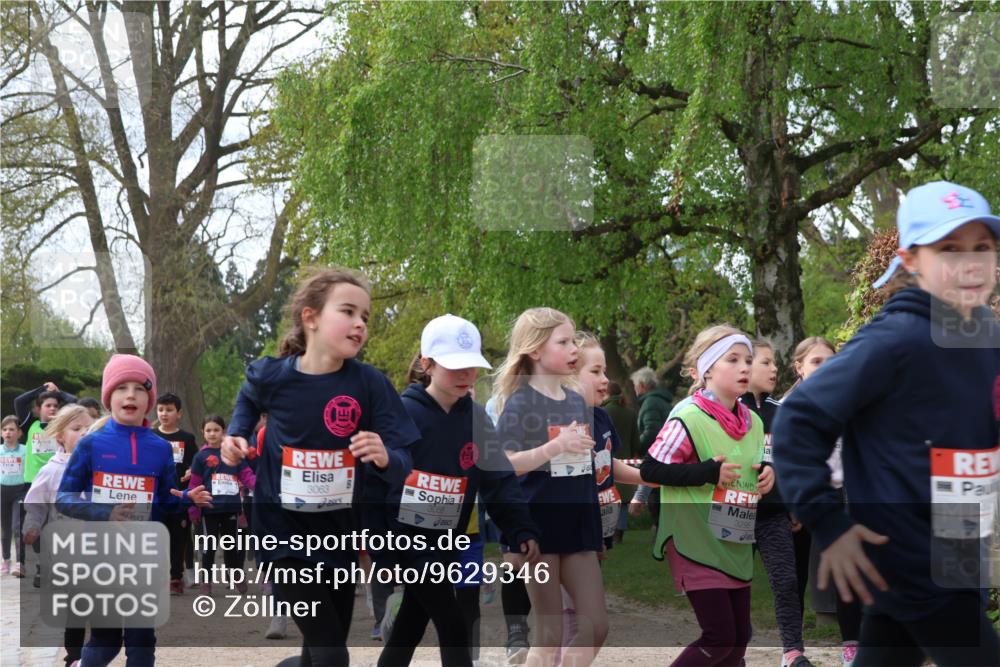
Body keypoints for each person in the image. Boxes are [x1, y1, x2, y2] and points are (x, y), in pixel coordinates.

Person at [773, 180, 1000, 667]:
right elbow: (798, 419)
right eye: (949, 249)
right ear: (911, 259)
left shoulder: (984, 336)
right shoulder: (894, 340)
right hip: (912, 557)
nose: (970, 263)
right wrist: (829, 523)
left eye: (982, 247)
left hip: (960, 550)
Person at [220, 267, 420, 667]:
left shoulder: (369, 384)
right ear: (310, 318)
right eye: (348, 312)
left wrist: (385, 456)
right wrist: (236, 433)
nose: (360, 323)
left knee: (318, 654)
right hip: (281, 534)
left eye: (365, 317)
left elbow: (404, 459)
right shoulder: (273, 375)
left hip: (338, 536)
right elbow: (249, 397)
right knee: (332, 655)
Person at [377, 314, 540, 667]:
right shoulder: (402, 414)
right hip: (407, 545)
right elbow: (379, 485)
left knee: (409, 626)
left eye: (472, 365)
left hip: (448, 544)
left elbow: (499, 480)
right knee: (453, 624)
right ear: (427, 364)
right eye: (455, 366)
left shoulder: (478, 418)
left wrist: (520, 528)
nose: (466, 374)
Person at [55, 354, 212, 667]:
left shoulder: (160, 448)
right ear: (108, 397)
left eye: (140, 389)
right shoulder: (91, 444)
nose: (131, 395)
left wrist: (186, 497)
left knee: (142, 642)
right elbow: (64, 498)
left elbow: (165, 500)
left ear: (149, 400)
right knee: (106, 642)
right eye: (121, 388)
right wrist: (105, 513)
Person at [640, 324, 773, 667]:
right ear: (707, 369)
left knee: (738, 640)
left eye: (748, 360)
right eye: (733, 359)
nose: (745, 367)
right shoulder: (688, 415)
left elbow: (759, 463)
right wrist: (707, 472)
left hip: (735, 543)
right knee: (719, 638)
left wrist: (768, 474)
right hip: (694, 540)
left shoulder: (754, 422)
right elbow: (651, 470)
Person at [493, 307, 608, 667]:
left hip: (579, 526)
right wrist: (554, 447)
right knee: (550, 634)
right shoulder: (521, 402)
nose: (574, 348)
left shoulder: (575, 400)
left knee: (597, 627)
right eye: (564, 342)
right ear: (535, 350)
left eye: (574, 340)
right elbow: (504, 464)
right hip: (539, 529)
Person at [742, 340, 816, 667]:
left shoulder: (781, 412)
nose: (774, 369)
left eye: (775, 363)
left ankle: (793, 653)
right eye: (766, 362)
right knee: (735, 588)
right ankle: (732, 652)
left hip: (773, 514)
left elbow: (793, 462)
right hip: (732, 514)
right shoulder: (728, 410)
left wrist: (794, 504)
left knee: (787, 582)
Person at [22, 405, 94, 667]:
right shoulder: (52, 469)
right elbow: (36, 502)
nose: (84, 433)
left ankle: (97, 652)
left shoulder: (102, 466)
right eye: (77, 429)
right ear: (60, 436)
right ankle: (74, 656)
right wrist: (32, 526)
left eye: (89, 428)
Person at [189, 414, 254, 596]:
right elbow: (194, 484)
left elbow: (247, 475)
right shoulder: (200, 457)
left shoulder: (233, 453)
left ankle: (236, 575)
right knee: (208, 548)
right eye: (208, 430)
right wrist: (194, 509)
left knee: (231, 547)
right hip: (209, 510)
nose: (212, 433)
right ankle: (206, 581)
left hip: (231, 509)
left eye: (216, 430)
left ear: (223, 431)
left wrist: (261, 486)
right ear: (203, 432)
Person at [152, 392, 199, 595]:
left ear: (179, 413)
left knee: (179, 539)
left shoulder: (187, 438)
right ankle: (158, 576)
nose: (164, 413)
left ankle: (176, 577)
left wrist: (191, 471)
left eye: (169, 410)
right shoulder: (151, 436)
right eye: (161, 409)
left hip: (180, 496)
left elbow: (197, 462)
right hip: (156, 497)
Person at [632, 367, 672, 524]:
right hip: (667, 459)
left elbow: (651, 432)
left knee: (656, 504)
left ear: (642, 385)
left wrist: (637, 447)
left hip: (656, 459)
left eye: (635, 385)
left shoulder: (650, 403)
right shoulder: (662, 401)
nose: (635, 389)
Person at [601, 382, 640, 543]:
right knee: (623, 500)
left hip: (605, 459)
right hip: (626, 460)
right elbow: (635, 440)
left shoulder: (603, 412)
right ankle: (619, 533)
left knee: (607, 498)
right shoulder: (630, 412)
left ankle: (608, 533)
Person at [1, 415, 26, 577]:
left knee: (17, 526)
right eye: (4, 429)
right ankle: (6, 560)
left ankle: (20, 563)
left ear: (19, 433)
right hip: (2, 492)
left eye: (11, 429)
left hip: (19, 492)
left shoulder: (25, 450)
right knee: (5, 528)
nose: (8, 432)